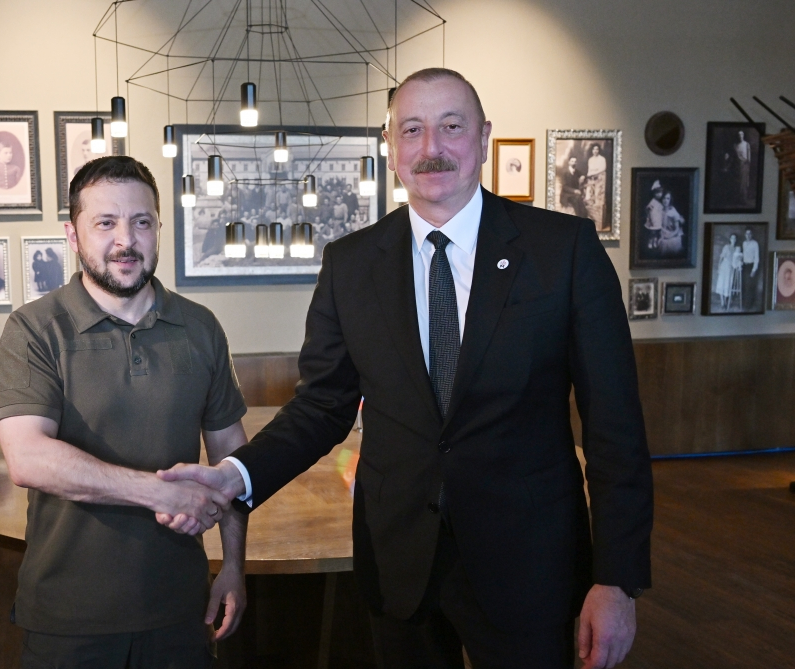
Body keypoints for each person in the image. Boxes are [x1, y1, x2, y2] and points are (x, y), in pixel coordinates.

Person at [158, 68, 653, 669]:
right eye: (412, 130)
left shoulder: (564, 250)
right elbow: (322, 406)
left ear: (484, 138)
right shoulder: (350, 264)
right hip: (398, 565)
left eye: (451, 126)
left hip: (528, 566)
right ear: (390, 148)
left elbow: (615, 429)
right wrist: (237, 475)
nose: (431, 148)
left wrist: (617, 579)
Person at [0, 156, 248, 668]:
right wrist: (157, 492)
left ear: (158, 229)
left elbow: (234, 459)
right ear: (73, 235)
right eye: (105, 222)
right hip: (68, 615)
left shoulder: (201, 328)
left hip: (179, 608)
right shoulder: (34, 329)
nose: (125, 240)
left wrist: (235, 566)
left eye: (141, 222)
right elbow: (28, 458)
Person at [584, 143, 607, 230]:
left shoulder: (602, 159)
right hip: (591, 179)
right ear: (592, 150)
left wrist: (594, 173)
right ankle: (590, 218)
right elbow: (589, 170)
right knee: (589, 197)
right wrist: (590, 175)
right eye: (594, 149)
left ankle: (599, 222)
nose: (595, 151)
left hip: (599, 180)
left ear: (599, 150)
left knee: (598, 198)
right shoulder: (590, 159)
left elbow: (602, 169)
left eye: (597, 149)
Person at [715, 233, 739, 309]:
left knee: (728, 285)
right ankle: (722, 303)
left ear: (736, 240)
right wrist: (719, 267)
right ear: (730, 239)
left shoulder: (736, 249)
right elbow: (721, 257)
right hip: (724, 267)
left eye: (734, 238)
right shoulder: (726, 247)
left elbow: (737, 259)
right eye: (732, 238)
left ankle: (726, 301)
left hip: (731, 268)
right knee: (722, 283)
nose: (733, 240)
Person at [657, 192, 684, 256]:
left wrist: (669, 236)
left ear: (670, 200)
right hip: (663, 233)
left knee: (666, 243)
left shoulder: (673, 212)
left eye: (668, 198)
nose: (665, 200)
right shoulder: (659, 210)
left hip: (673, 235)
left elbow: (677, 229)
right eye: (664, 198)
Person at [741, 227, 760, 310]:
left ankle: (748, 306)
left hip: (751, 266)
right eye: (747, 234)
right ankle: (744, 304)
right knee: (744, 285)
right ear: (745, 235)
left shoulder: (755, 244)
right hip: (744, 266)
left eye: (750, 234)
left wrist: (754, 270)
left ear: (752, 235)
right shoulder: (744, 243)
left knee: (749, 286)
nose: (748, 235)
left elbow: (757, 257)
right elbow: (743, 255)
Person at [643, 181, 664, 251]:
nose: (659, 194)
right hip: (653, 219)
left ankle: (655, 242)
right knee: (652, 233)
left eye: (660, 192)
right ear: (654, 193)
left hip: (658, 220)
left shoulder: (661, 202)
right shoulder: (653, 201)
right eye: (657, 193)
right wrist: (648, 216)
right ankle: (650, 242)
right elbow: (648, 209)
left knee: (657, 233)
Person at [734, 130, 751, 203]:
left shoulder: (747, 144)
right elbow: (736, 156)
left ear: (743, 135)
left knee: (744, 182)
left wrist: (747, 163)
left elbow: (749, 155)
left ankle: (744, 199)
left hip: (745, 164)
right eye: (739, 135)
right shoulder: (737, 145)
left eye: (741, 135)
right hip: (739, 164)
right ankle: (739, 199)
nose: (740, 136)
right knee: (739, 182)